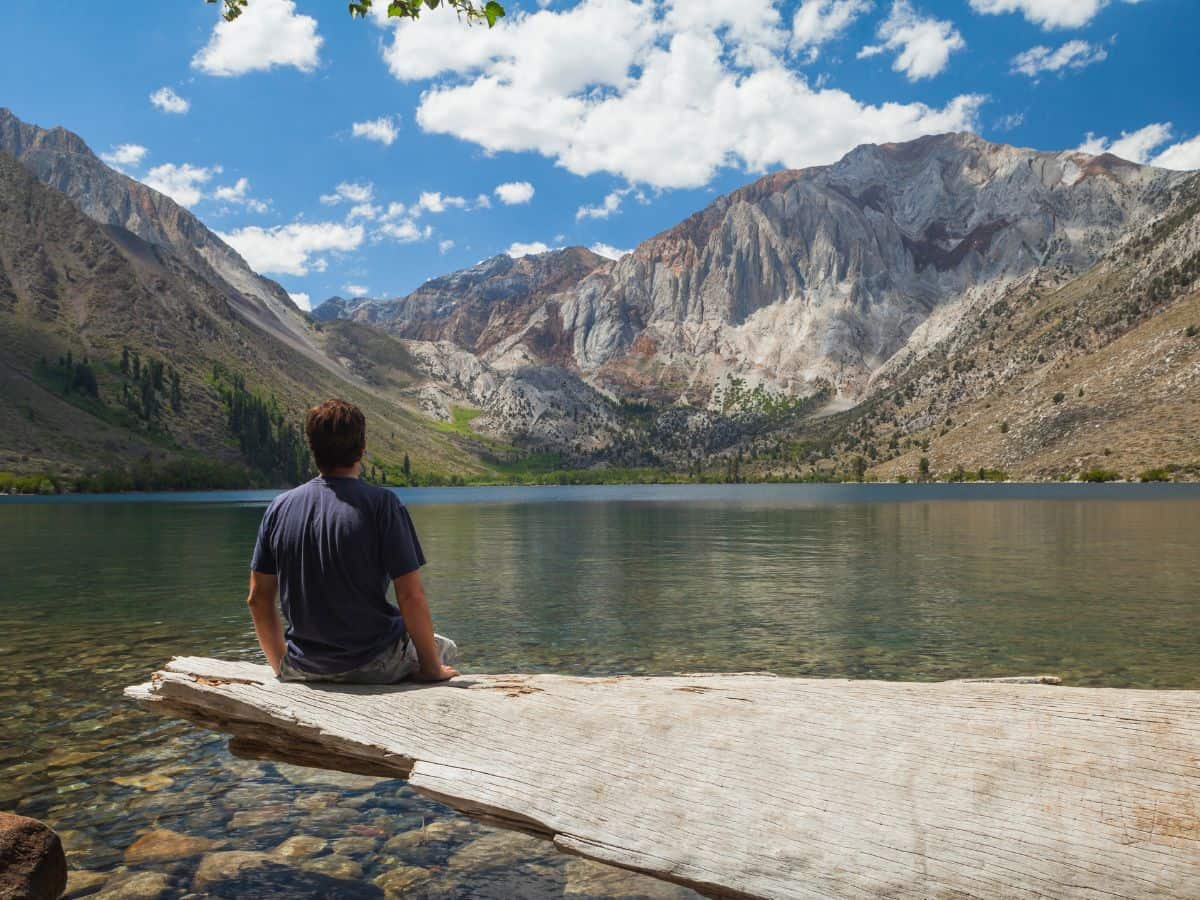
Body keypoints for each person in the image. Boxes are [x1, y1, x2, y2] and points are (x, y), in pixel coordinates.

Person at [245, 398, 458, 684]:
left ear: (312, 447)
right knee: (446, 648)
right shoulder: (383, 504)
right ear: (362, 447)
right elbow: (411, 596)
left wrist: (283, 666)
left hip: (303, 665)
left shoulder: (279, 508)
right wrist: (432, 670)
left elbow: (258, 598)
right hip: (374, 662)